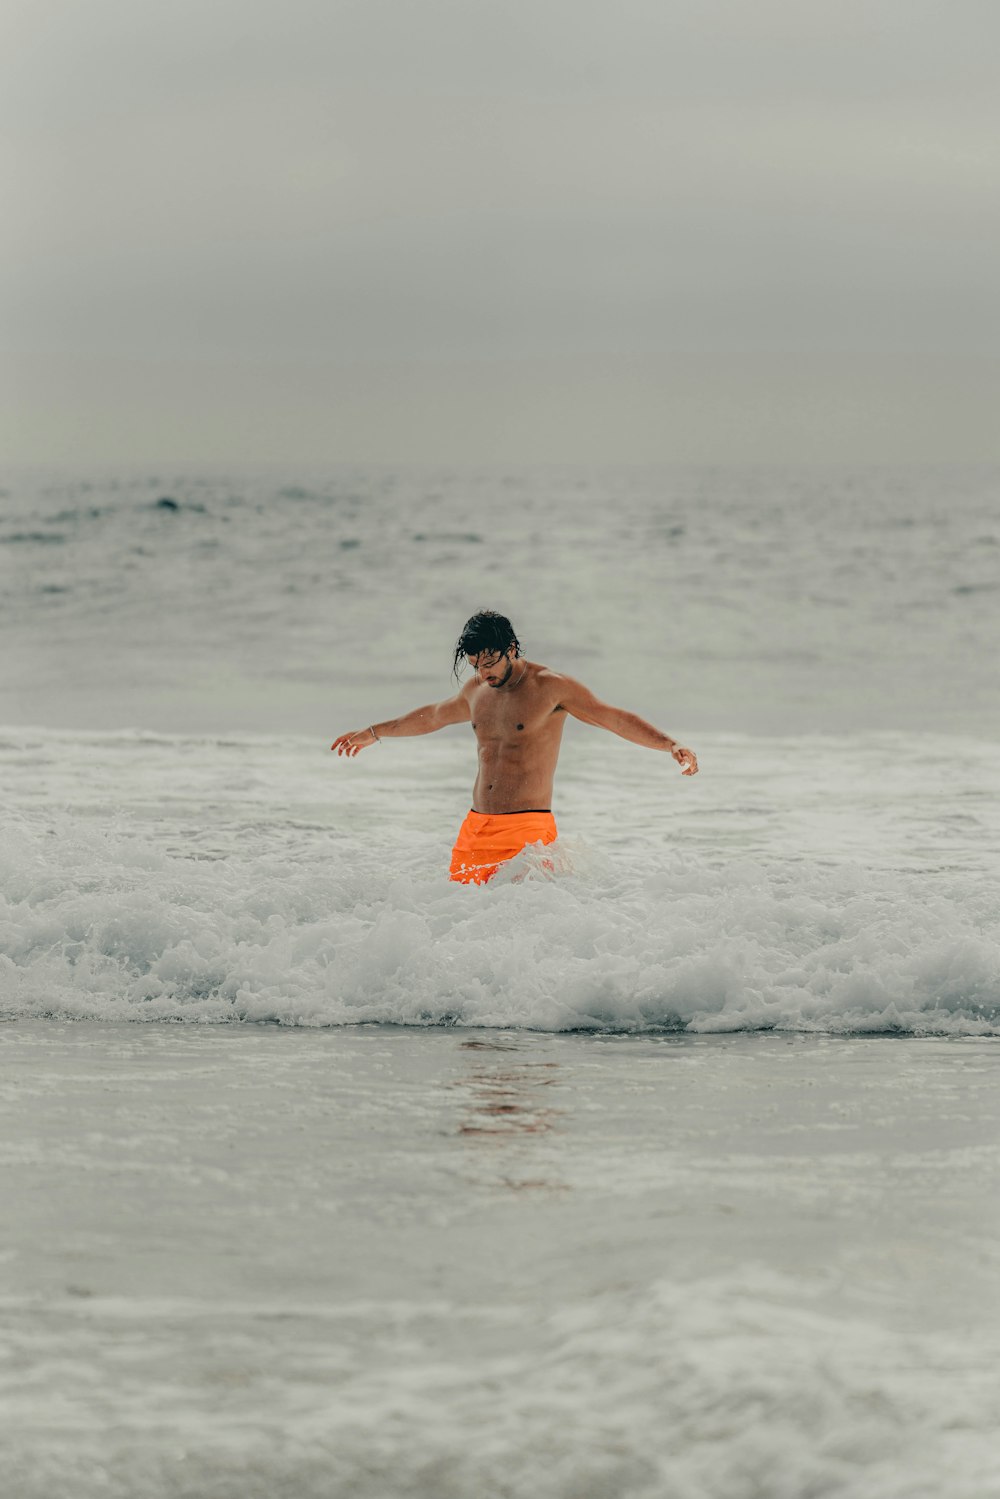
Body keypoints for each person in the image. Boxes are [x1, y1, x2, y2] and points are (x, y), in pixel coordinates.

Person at [332, 610, 699, 884]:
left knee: (525, 929)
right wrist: (374, 732)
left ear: (511, 649)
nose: (483, 673)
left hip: (527, 831)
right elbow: (433, 716)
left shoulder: (550, 688)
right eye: (476, 664)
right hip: (475, 829)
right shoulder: (476, 690)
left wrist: (669, 744)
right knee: (457, 922)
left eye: (490, 662)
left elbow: (611, 717)